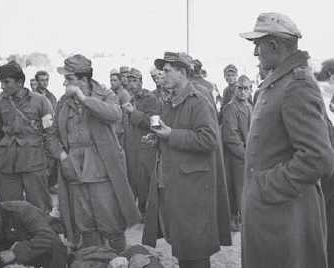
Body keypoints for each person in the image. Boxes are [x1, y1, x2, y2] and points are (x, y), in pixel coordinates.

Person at [240, 12, 334, 268]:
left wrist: (265, 185)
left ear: (273, 45)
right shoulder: (280, 83)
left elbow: (318, 159)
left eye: (257, 45)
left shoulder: (297, 86)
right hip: (272, 215)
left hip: (283, 216)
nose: (255, 53)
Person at [142, 52, 231, 268]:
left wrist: (170, 134)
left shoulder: (198, 101)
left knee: (195, 247)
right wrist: (156, 138)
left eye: (167, 71)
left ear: (182, 73)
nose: (162, 75)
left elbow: (210, 139)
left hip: (193, 188)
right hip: (176, 183)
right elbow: (175, 132)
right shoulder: (171, 100)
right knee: (183, 244)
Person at [47, 54, 140, 251]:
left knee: (111, 222)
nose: (65, 82)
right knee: (85, 224)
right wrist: (63, 156)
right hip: (73, 170)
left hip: (102, 169)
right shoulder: (63, 102)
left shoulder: (105, 95)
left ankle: (119, 260)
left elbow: (114, 114)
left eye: (69, 78)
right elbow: (52, 135)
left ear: (83, 79)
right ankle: (94, 260)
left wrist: (84, 99)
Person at [0, 61, 53, 214]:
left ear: (19, 82)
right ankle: (14, 237)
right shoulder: (0, 101)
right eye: (1, 82)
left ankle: (43, 236)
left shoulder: (41, 101)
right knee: (8, 207)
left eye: (6, 82)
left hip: (34, 161)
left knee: (40, 207)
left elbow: (51, 132)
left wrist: (49, 161)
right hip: (6, 162)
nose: (2, 86)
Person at [0, 201, 67, 268]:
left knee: (56, 247)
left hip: (43, 243)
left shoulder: (22, 211)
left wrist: (15, 253)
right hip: (17, 245)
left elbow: (48, 237)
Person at [123, 68, 159, 217]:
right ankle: (140, 210)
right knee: (133, 178)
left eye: (134, 81)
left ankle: (152, 212)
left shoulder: (150, 99)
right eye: (129, 81)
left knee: (147, 180)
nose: (131, 84)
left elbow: (154, 123)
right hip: (130, 147)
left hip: (146, 147)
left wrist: (133, 112)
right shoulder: (126, 99)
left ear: (141, 82)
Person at [221, 75, 253, 232]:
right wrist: (244, 153)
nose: (242, 91)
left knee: (243, 188)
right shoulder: (231, 107)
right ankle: (234, 219)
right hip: (236, 156)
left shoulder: (250, 106)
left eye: (246, 88)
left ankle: (240, 217)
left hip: (247, 155)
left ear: (250, 90)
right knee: (235, 187)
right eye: (239, 88)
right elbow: (229, 135)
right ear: (235, 89)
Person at [34, 70, 58, 193]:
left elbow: (55, 113)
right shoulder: (32, 97)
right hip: (37, 133)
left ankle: (50, 184)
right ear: (37, 81)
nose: (45, 83)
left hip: (50, 132)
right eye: (42, 80)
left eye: (46, 80)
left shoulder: (51, 96)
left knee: (52, 159)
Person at [109, 69, 131, 147]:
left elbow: (126, 115)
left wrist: (124, 131)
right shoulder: (109, 93)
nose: (112, 83)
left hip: (120, 131)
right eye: (111, 80)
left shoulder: (124, 94)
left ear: (120, 81)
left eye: (115, 80)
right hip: (112, 129)